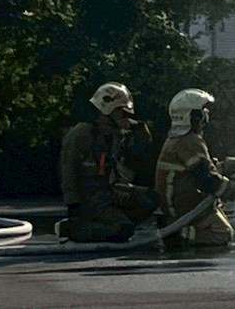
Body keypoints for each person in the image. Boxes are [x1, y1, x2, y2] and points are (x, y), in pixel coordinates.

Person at [58, 81, 161, 242]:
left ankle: (112, 222)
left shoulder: (114, 134)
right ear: (108, 109)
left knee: (150, 198)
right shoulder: (81, 134)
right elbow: (68, 171)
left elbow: (142, 148)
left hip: (109, 192)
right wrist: (73, 205)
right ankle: (76, 229)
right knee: (123, 230)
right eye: (122, 112)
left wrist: (139, 128)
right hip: (91, 199)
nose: (126, 117)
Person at [154, 88, 235, 248]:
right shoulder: (190, 141)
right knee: (222, 233)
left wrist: (230, 166)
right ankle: (180, 235)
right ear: (192, 116)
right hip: (182, 208)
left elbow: (201, 168)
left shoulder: (177, 139)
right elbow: (207, 179)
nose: (206, 115)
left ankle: (182, 232)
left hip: (176, 204)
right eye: (202, 111)